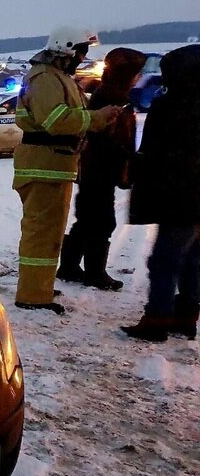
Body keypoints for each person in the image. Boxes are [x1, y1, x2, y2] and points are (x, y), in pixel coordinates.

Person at [11, 25, 123, 314]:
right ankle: (33, 296)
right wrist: (96, 119)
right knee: (41, 233)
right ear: (66, 49)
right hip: (44, 166)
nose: (83, 57)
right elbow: (55, 120)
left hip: (53, 165)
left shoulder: (58, 77)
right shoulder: (46, 78)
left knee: (49, 233)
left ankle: (39, 287)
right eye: (81, 51)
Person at [121, 44, 200, 342]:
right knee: (192, 258)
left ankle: (157, 319)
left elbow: (155, 153)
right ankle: (186, 315)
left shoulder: (171, 106)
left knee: (164, 260)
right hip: (193, 198)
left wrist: (136, 172)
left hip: (179, 197)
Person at [58, 48, 147, 290]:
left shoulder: (111, 94)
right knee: (101, 221)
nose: (139, 77)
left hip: (96, 170)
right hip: (99, 170)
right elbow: (106, 139)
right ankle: (94, 273)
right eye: (135, 73)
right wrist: (128, 160)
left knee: (86, 220)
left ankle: (69, 267)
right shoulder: (111, 97)